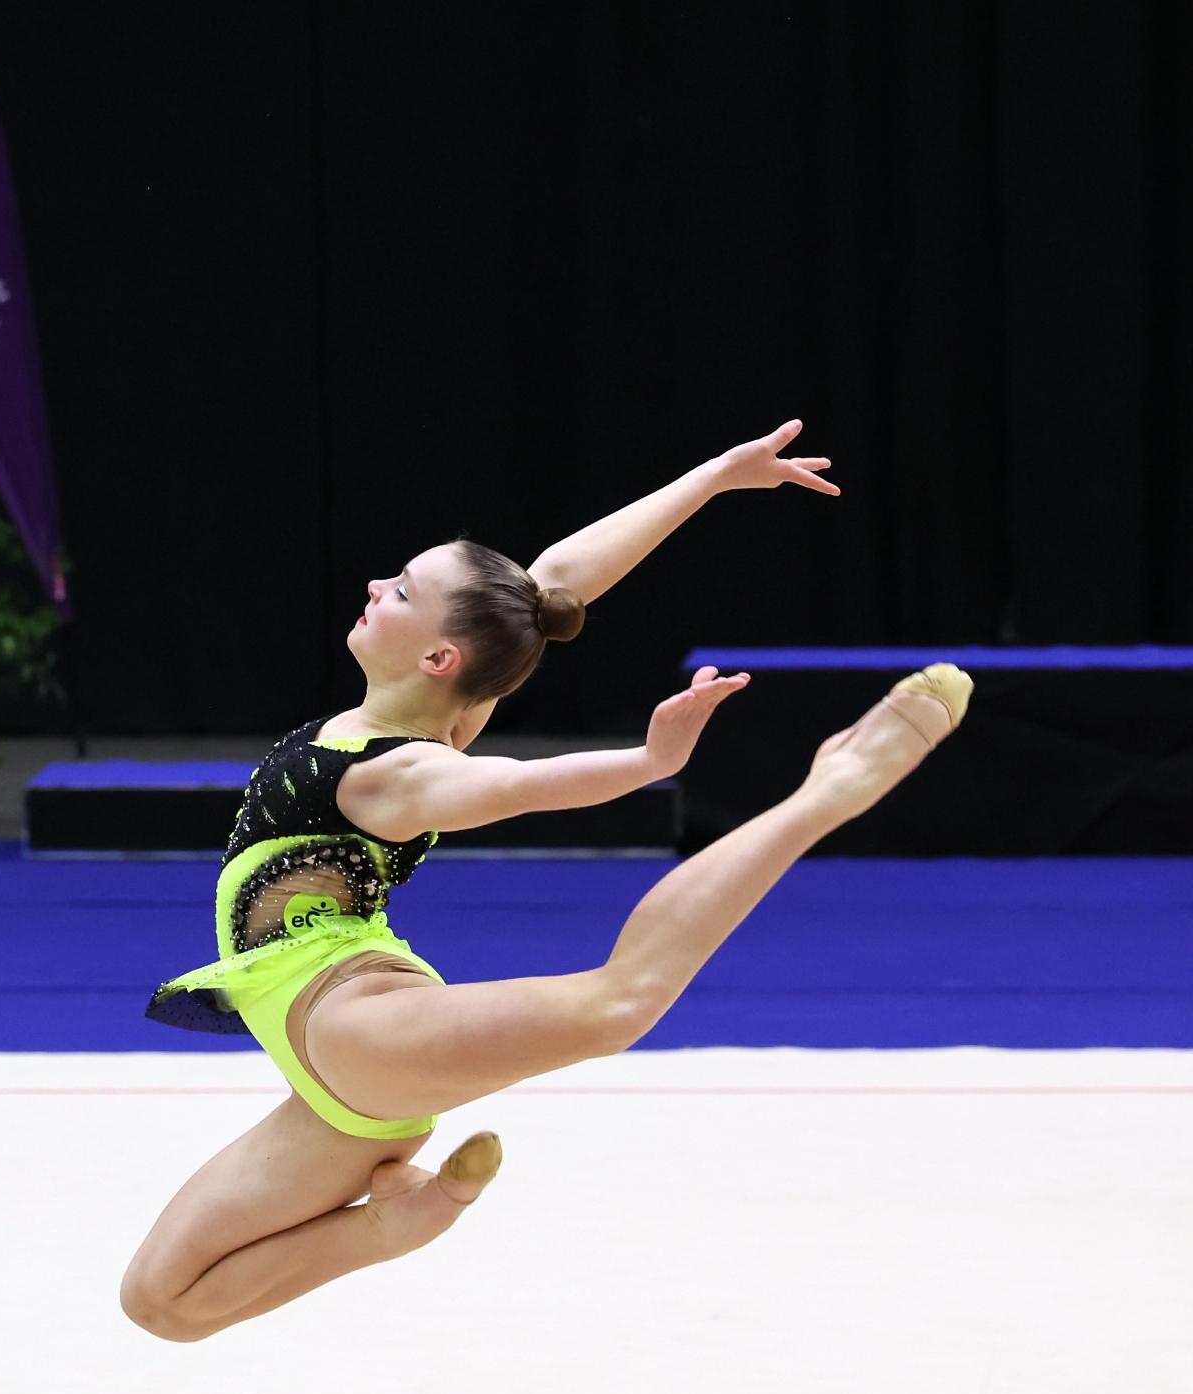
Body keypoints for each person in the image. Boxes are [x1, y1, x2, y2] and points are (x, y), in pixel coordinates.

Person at [120, 420, 970, 1342]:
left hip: (354, 1027)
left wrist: (647, 762)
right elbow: (555, 583)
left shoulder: (408, 770)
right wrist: (714, 477)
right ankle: (392, 1224)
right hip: (333, 1082)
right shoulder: (433, 714)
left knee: (619, 1003)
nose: (374, 586)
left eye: (400, 589)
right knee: (164, 1303)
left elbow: (518, 786)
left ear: (439, 657)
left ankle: (828, 792)